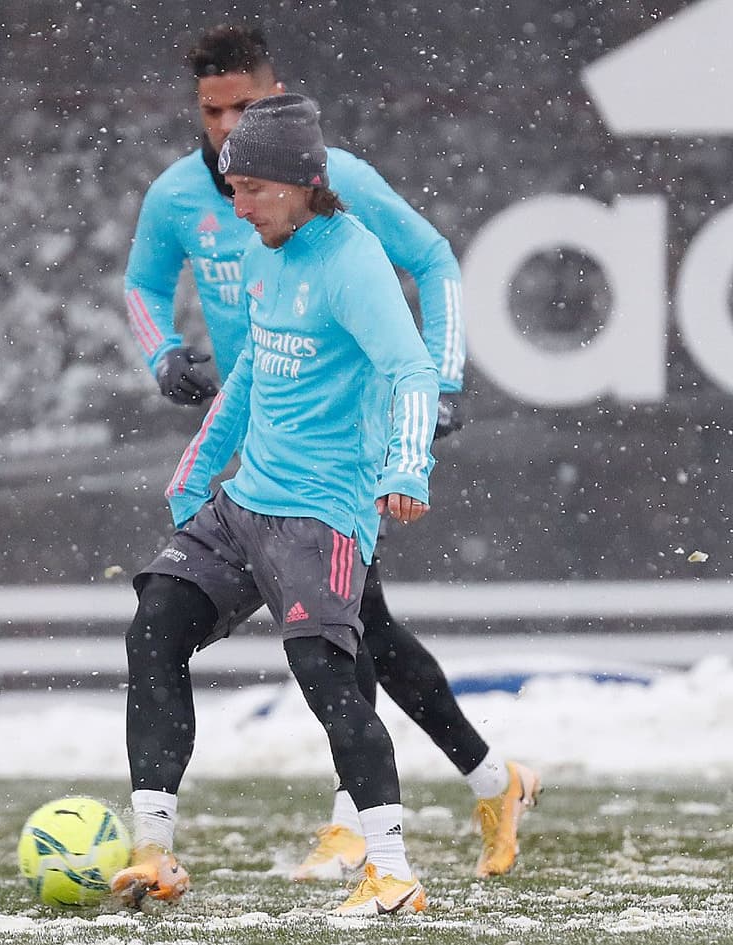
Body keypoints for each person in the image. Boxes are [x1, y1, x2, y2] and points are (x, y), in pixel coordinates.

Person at [123, 24, 539, 883]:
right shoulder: (196, 202)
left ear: (277, 101)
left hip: (341, 455)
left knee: (336, 650)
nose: (229, 123)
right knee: (369, 637)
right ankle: (495, 780)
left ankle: (367, 833)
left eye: (246, 106)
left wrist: (433, 401)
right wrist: (163, 351)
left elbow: (430, 261)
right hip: (260, 444)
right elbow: (142, 287)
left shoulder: (334, 192)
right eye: (215, 110)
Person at [114, 93, 438, 917]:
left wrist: (408, 465)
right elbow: (254, 370)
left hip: (322, 510)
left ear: (301, 183)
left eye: (253, 187)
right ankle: (152, 848)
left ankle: (392, 870)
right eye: (231, 186)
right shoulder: (261, 249)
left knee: (327, 677)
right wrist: (199, 469)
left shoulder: (352, 259)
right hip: (244, 500)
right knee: (155, 623)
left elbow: (409, 370)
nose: (238, 205)